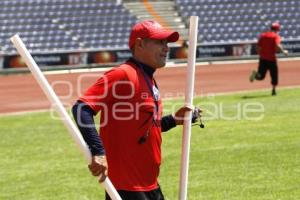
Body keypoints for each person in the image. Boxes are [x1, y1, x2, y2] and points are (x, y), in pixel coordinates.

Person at [72, 20, 201, 200]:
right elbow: (81, 109)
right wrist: (98, 152)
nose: (166, 48)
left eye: (167, 43)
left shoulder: (149, 80)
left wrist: (172, 120)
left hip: (150, 184)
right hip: (126, 188)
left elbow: (142, 126)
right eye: (159, 42)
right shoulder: (123, 74)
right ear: (140, 43)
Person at [249, 22, 289, 95]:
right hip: (271, 59)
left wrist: (261, 54)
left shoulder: (263, 35)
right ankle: (273, 90)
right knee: (274, 75)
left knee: (261, 76)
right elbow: (277, 46)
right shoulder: (275, 36)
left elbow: (257, 47)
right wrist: (284, 51)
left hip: (263, 59)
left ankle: (255, 75)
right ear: (277, 30)